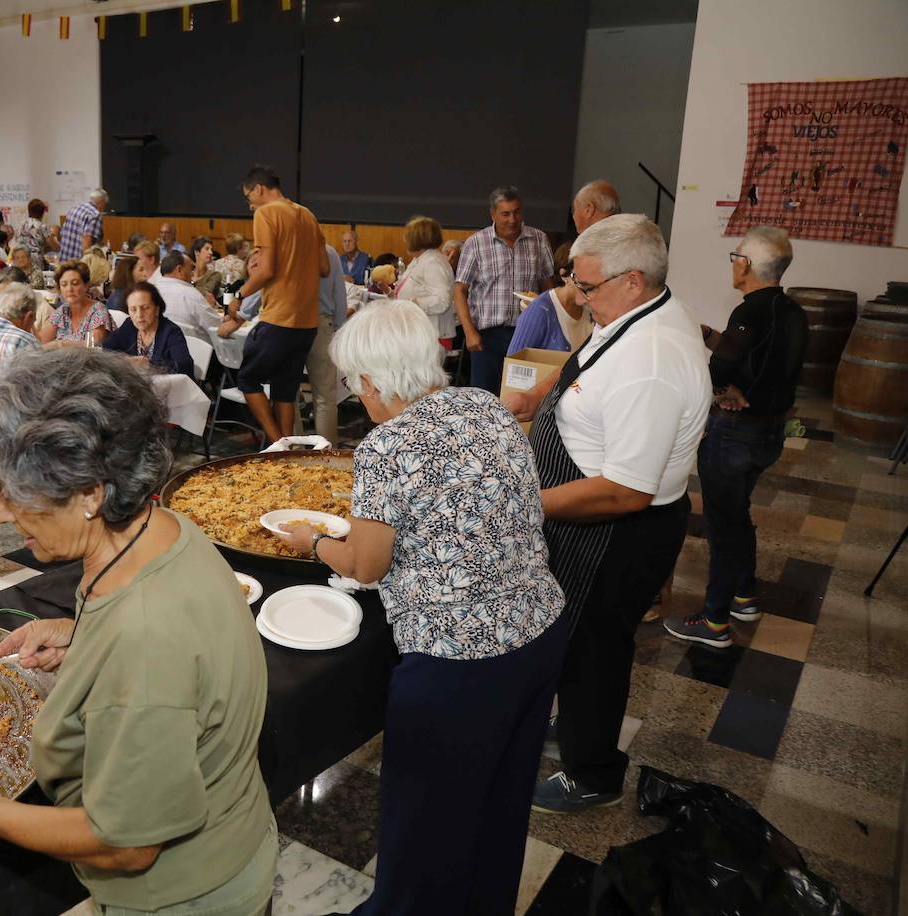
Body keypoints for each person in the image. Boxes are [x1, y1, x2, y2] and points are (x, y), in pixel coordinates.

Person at [0, 347, 276, 916]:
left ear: (91, 493)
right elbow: (180, 659)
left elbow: (127, 845)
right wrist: (83, 635)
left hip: (183, 898)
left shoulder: (143, 641)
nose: (1, 513)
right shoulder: (161, 527)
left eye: (14, 491)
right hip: (236, 838)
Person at [273, 300, 567, 915]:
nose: (359, 395)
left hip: (458, 661)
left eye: (356, 383)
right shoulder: (483, 403)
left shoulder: (386, 447)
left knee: (423, 819)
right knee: (498, 801)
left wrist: (315, 541)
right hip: (537, 631)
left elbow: (366, 565)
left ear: (374, 382)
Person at [499, 214, 708, 814]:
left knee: (596, 649)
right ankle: (574, 728)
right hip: (590, 515)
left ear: (633, 280)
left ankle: (592, 774)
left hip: (619, 532)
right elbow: (585, 364)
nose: (580, 298)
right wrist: (535, 397)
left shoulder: (653, 360)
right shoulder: (627, 316)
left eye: (587, 288)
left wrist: (524, 504)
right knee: (573, 639)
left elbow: (624, 491)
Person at [664, 227, 807, 648]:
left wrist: (721, 388)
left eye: (735, 256)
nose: (732, 263)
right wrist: (707, 336)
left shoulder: (748, 313)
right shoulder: (792, 312)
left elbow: (721, 371)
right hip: (769, 434)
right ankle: (744, 596)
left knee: (722, 526)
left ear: (745, 264)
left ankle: (713, 622)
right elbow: (760, 362)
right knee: (737, 513)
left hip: (735, 437)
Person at [234, 164, 329, 444]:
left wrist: (239, 296)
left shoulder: (267, 213)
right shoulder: (307, 215)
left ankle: (277, 445)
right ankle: (286, 450)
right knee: (284, 391)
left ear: (258, 189)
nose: (250, 205)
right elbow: (324, 267)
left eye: (248, 197)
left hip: (279, 317)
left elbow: (266, 271)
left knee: (248, 379)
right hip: (307, 321)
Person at [453, 186, 555, 392]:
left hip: (528, 332)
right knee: (484, 397)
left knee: (521, 395)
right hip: (487, 337)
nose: (512, 219)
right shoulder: (476, 243)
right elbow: (459, 290)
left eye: (517, 212)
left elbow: (547, 286)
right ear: (493, 214)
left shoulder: (539, 240)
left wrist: (550, 325)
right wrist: (469, 332)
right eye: (505, 214)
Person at [103, 281, 194, 376]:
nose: (139, 315)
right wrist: (123, 359)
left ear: (157, 309)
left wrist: (150, 365)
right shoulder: (129, 325)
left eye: (145, 308)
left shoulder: (170, 331)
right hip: (137, 386)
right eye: (133, 309)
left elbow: (186, 366)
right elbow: (106, 348)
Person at [305, 243, 348, 442]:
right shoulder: (328, 251)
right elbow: (340, 294)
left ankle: (291, 453)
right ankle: (327, 455)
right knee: (325, 397)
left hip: (289, 324)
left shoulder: (285, 247)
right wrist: (339, 328)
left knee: (287, 396)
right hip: (322, 324)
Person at [392, 215, 456, 347]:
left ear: (417, 239)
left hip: (431, 336)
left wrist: (413, 304)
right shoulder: (420, 259)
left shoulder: (433, 262)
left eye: (408, 236)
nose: (405, 240)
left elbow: (442, 301)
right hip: (417, 333)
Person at [39, 261, 114, 347]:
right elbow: (40, 340)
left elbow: (93, 344)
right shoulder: (62, 311)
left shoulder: (99, 310)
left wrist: (60, 345)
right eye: (64, 285)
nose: (69, 289)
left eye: (75, 283)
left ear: (86, 285)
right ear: (60, 289)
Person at [155, 252, 219, 332]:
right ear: (179, 270)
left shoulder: (152, 290)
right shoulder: (191, 294)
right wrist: (210, 308)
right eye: (191, 269)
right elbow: (216, 326)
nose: (192, 274)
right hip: (195, 343)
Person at [59, 188, 108, 261]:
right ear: (102, 202)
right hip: (78, 262)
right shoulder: (95, 215)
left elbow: (63, 233)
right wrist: (88, 262)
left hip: (64, 258)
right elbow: (87, 239)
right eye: (105, 204)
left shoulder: (75, 208)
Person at [17, 198, 58, 270]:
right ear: (42, 212)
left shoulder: (21, 224)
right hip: (35, 261)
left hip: (20, 258)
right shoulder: (43, 226)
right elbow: (54, 245)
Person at [189, 235, 224, 301]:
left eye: (211, 250)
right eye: (207, 249)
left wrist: (188, 288)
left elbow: (206, 293)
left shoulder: (215, 275)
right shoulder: (187, 274)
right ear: (197, 252)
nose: (211, 252)